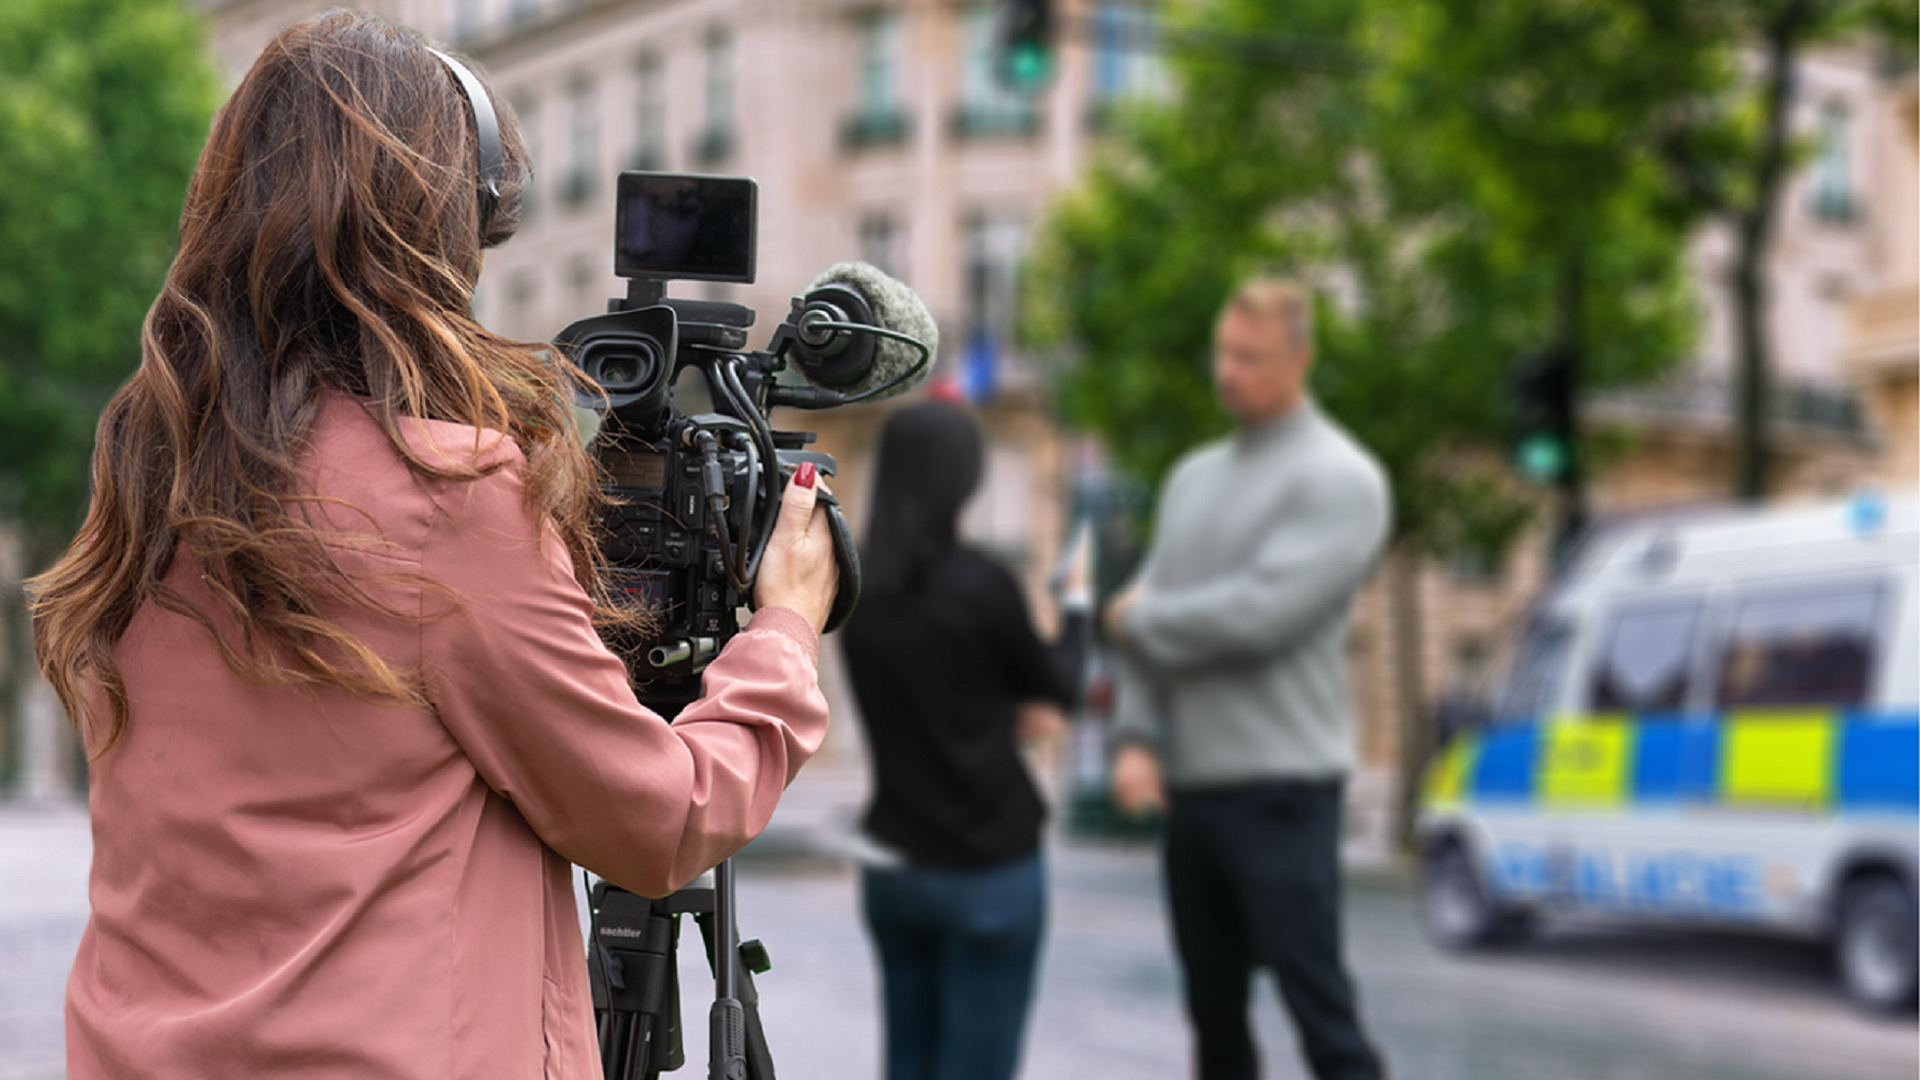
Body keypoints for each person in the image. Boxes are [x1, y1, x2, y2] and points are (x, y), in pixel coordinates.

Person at [26, 13, 838, 1079]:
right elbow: (660, 820)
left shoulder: (147, 464)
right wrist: (783, 630)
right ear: (441, 235)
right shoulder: (448, 495)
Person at [1106, 279, 1391, 1080]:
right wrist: (1134, 736)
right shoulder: (1193, 479)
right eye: (1224, 353)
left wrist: (1142, 619)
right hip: (1194, 791)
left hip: (1284, 789)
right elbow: (1148, 619)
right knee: (1213, 1019)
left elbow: (1263, 615)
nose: (1228, 372)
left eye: (1251, 357)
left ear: (1300, 359)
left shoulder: (1341, 477)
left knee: (1321, 1012)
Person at [839, 400, 1090, 1080]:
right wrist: (1076, 607)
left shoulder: (861, 597)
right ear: (965, 477)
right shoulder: (982, 586)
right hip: (985, 866)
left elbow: (938, 700)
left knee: (908, 1064)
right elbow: (1058, 685)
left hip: (894, 864)